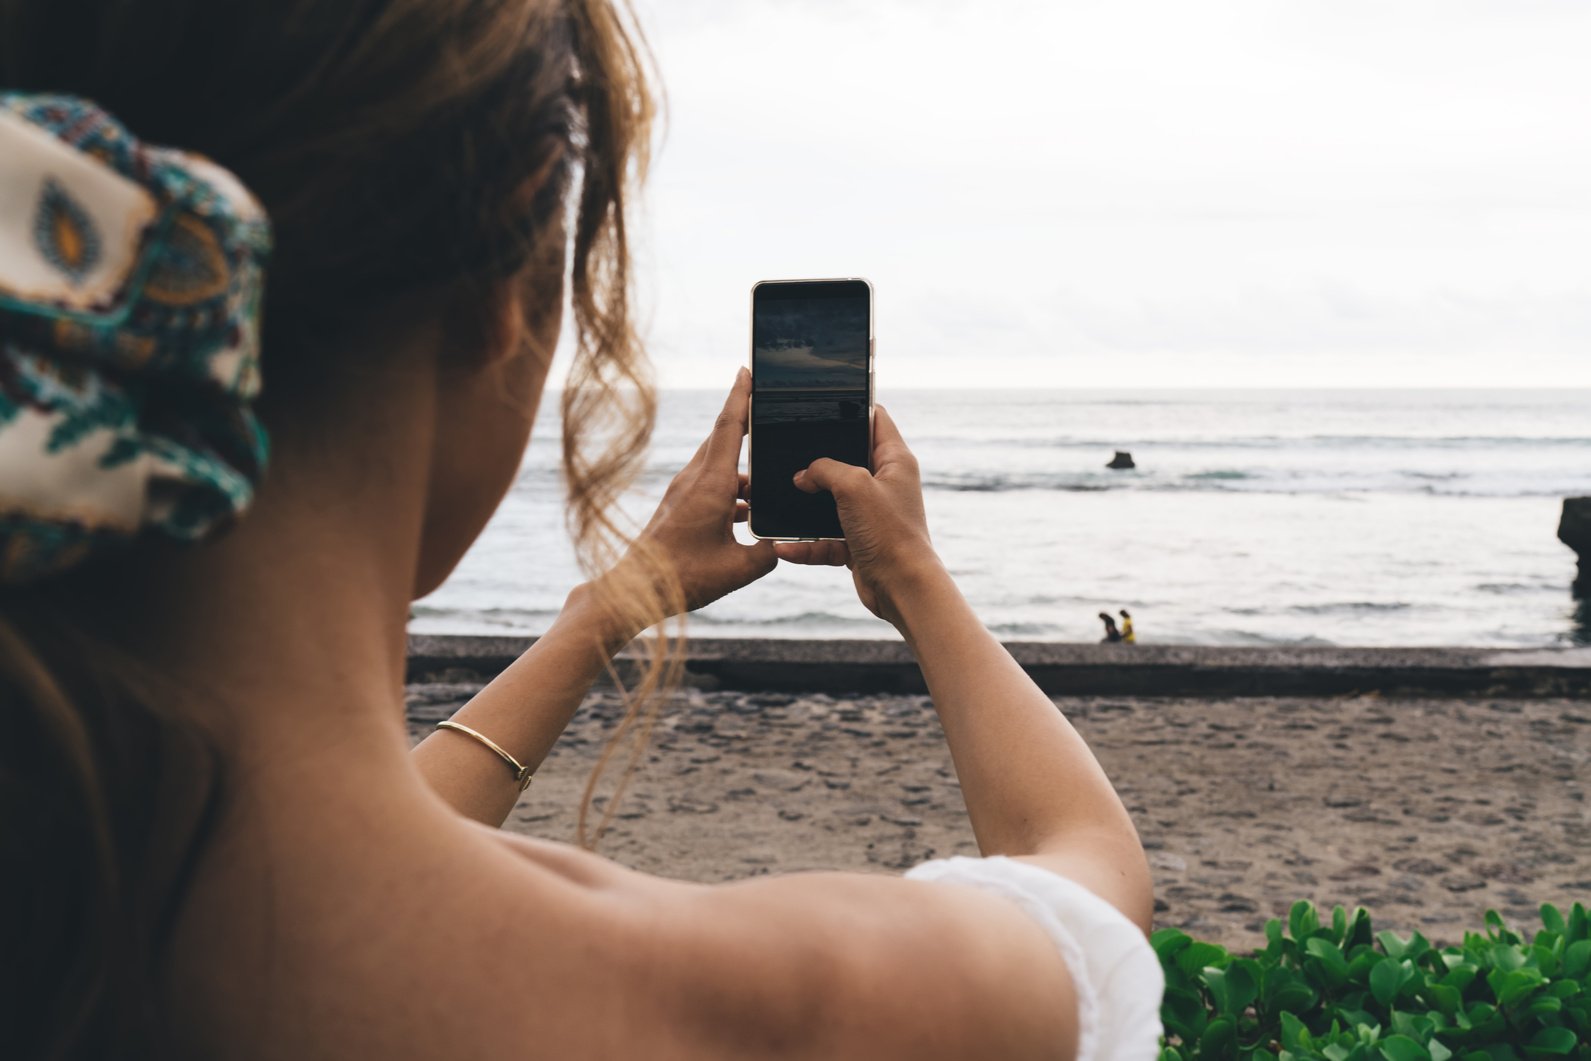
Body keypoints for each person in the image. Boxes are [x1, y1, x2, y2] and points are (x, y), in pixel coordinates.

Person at [0, 4, 1160, 1058]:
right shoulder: (746, 1008)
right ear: (500, 302)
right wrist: (910, 574)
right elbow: (1086, 880)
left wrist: (608, 609)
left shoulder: (66, 893)